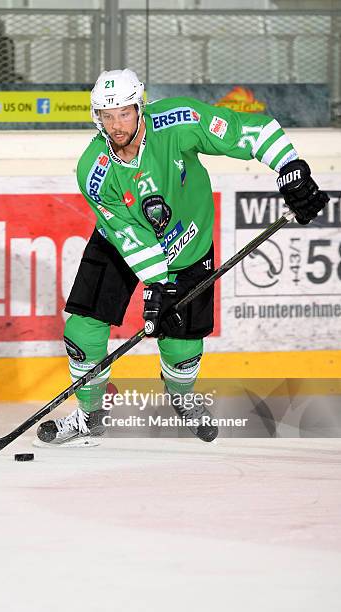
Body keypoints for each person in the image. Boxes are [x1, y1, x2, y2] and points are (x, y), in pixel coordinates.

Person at [37, 68, 328, 446]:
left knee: (182, 346)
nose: (116, 124)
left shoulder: (178, 121)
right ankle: (89, 414)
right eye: (107, 116)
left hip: (189, 248)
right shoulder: (94, 171)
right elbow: (130, 235)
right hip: (119, 243)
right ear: (97, 117)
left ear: (140, 107)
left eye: (124, 113)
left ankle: (183, 398)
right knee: (82, 330)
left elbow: (249, 131)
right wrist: (157, 287)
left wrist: (288, 166)